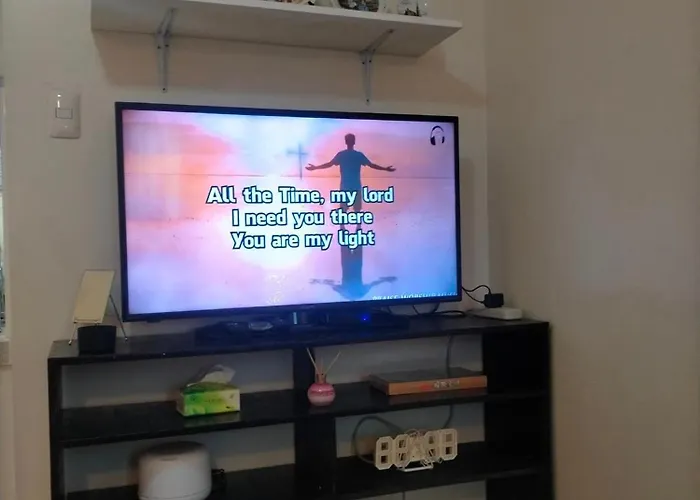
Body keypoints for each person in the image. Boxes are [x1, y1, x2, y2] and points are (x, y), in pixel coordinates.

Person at [306, 133, 395, 212]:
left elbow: (329, 164)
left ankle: (344, 225)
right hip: (356, 187)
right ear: (354, 142)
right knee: (357, 212)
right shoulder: (358, 155)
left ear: (346, 142)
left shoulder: (341, 155)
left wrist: (315, 168)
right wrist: (385, 169)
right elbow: (371, 165)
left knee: (343, 213)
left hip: (345, 188)